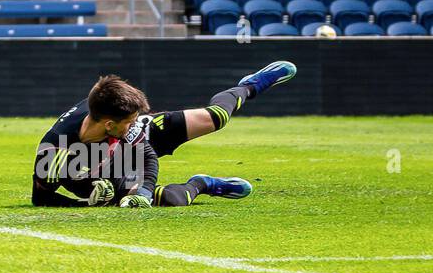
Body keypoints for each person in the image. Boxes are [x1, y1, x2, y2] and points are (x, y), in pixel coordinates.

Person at [31, 61, 296, 208]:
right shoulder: (56, 148)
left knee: (216, 118)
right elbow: (41, 198)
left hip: (140, 142)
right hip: (118, 165)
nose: (132, 123)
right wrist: (88, 199)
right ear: (109, 124)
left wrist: (143, 191)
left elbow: (146, 156)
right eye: (129, 120)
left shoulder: (129, 126)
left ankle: (249, 86)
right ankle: (202, 184)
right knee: (166, 200)